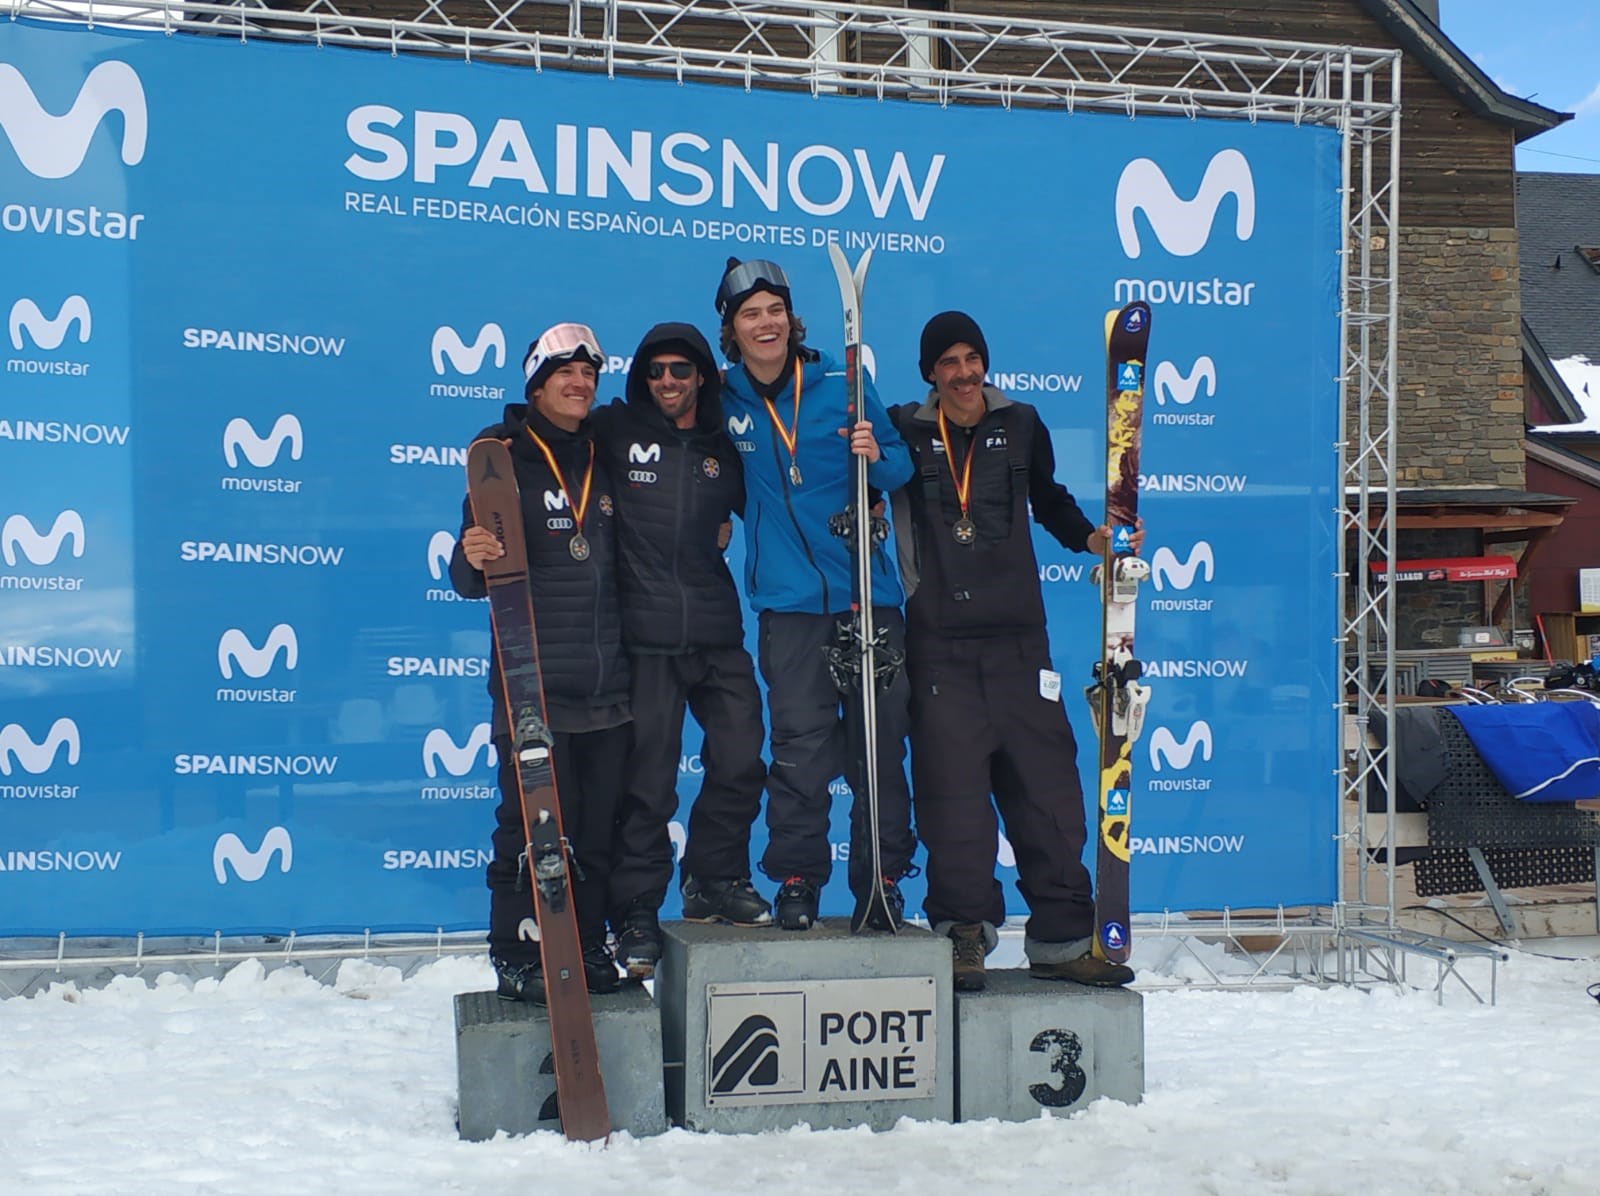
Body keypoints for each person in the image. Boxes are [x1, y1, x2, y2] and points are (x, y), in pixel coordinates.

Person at [887, 311, 1140, 990]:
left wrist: (1093, 540)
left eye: (973, 359)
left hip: (1021, 647)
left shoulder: (1021, 424)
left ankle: (1062, 941)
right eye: (949, 363)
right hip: (938, 648)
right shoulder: (904, 431)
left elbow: (1049, 499)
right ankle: (963, 938)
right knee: (955, 806)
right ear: (930, 373)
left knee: (1047, 796)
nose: (964, 373)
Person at [714, 256, 918, 932]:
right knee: (799, 749)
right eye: (751, 314)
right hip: (790, 607)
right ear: (733, 328)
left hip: (868, 595)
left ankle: (882, 880)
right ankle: (798, 879)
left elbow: (898, 466)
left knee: (878, 748)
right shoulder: (726, 399)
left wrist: (873, 452)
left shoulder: (842, 380)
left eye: (775, 310)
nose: (766, 323)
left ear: (791, 318)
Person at [449, 322, 630, 1002]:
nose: (580, 383)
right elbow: (469, 580)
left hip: (608, 683)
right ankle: (516, 948)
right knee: (528, 831)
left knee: (596, 829)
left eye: (589, 374)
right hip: (532, 689)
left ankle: (585, 944)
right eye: (565, 373)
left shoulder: (603, 456)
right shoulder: (500, 459)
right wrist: (470, 554)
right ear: (536, 383)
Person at [591, 322, 772, 980]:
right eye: (655, 371)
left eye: (680, 370)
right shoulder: (613, 431)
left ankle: (714, 880)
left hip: (718, 632)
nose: (667, 381)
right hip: (646, 640)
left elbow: (786, 495)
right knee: (648, 785)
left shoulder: (727, 449)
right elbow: (541, 439)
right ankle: (636, 911)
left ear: (701, 376)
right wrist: (498, 440)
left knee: (742, 755)